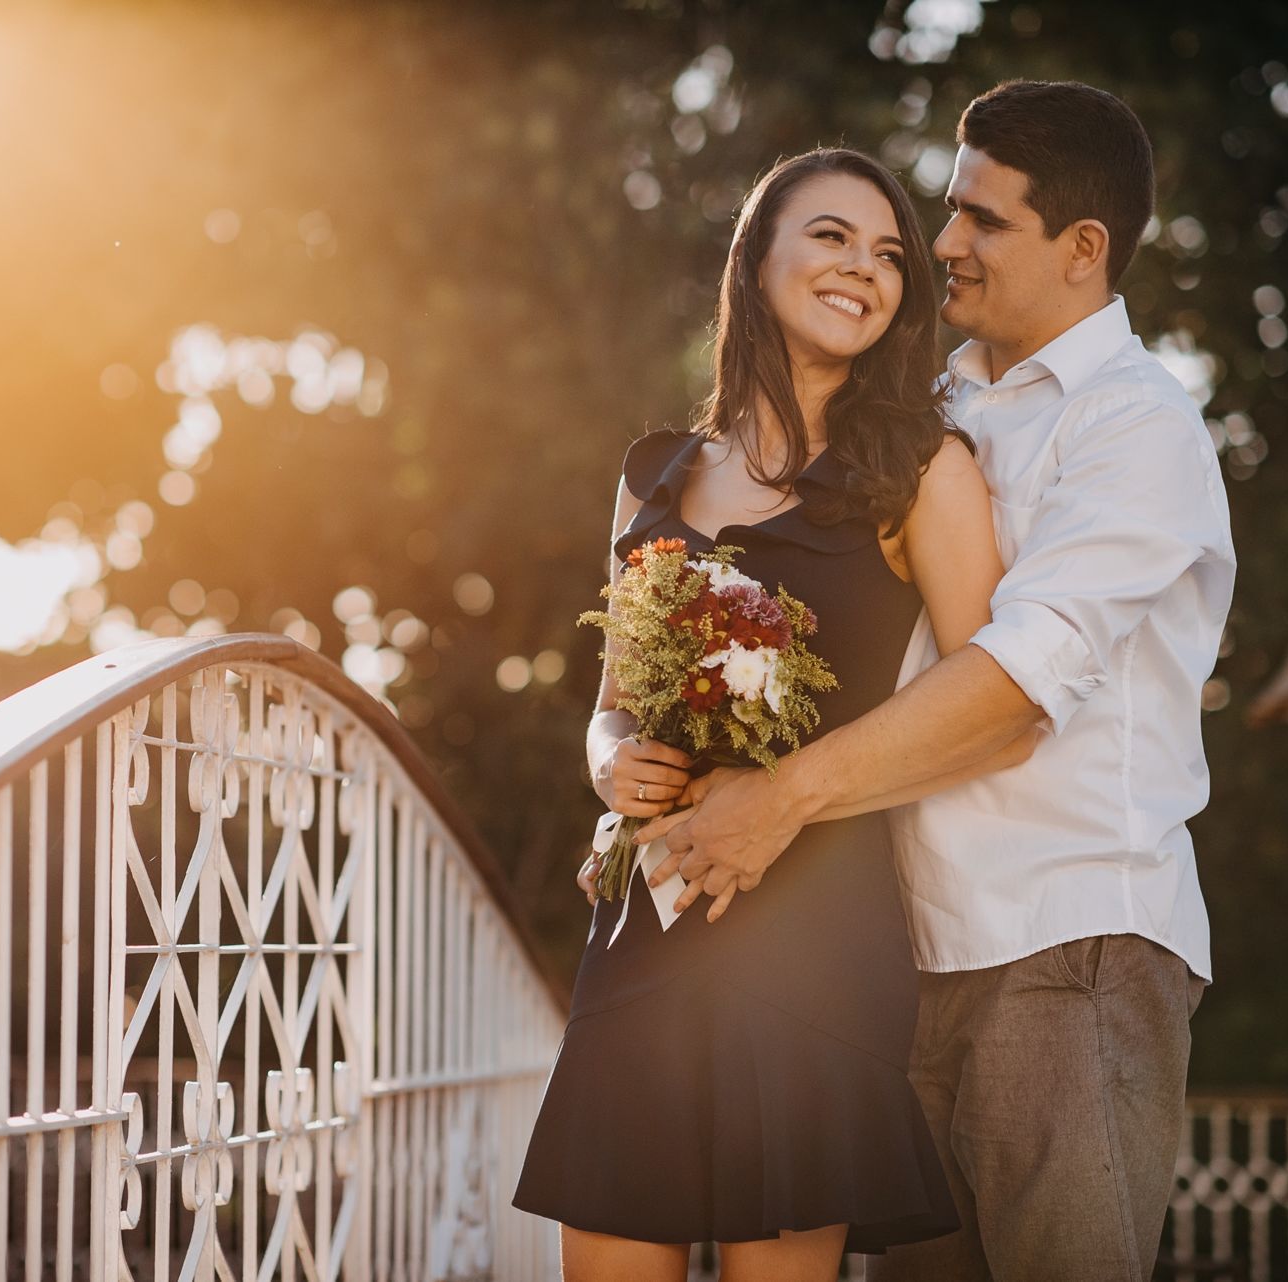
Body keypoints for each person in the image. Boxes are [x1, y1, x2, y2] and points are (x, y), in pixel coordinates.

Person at [640, 82, 1237, 1282]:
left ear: (1083, 250)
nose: (941, 242)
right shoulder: (923, 405)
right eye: (947, 210)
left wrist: (779, 800)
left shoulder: (1139, 431)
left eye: (981, 219)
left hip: (1068, 947)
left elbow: (1018, 687)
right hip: (898, 952)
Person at [512, 147, 1039, 1281]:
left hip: (816, 935)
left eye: (892, 253)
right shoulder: (653, 470)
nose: (868, 268)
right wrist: (611, 766)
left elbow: (994, 695)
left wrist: (800, 787)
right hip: (644, 925)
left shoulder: (923, 468)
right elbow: (608, 707)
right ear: (756, 261)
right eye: (834, 236)